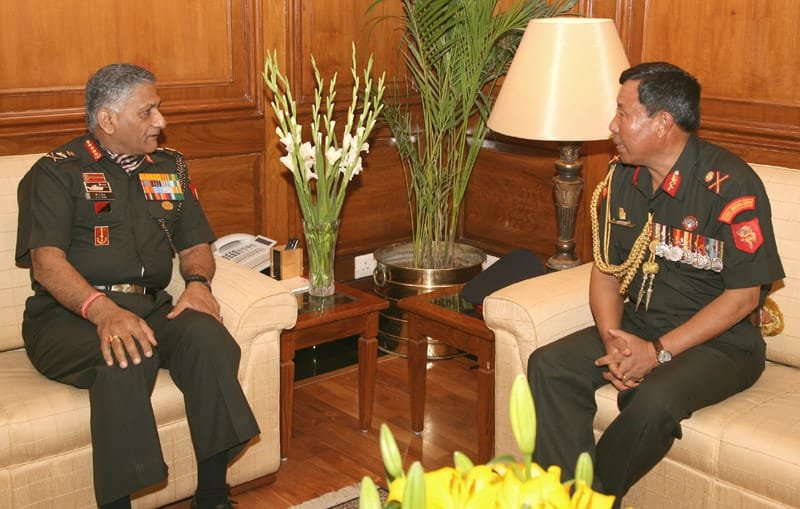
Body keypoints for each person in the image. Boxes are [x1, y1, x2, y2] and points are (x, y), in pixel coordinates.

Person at [527, 62, 784, 506]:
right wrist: (614, 340)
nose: (613, 125)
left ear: (663, 122)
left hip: (722, 345)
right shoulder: (619, 180)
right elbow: (606, 271)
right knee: (549, 366)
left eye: (624, 113)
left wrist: (657, 352)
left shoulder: (730, 186)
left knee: (653, 401)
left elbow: (743, 298)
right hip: (640, 326)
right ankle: (563, 497)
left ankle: (592, 500)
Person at [15, 63, 260, 509]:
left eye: (158, 110)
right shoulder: (56, 172)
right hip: (68, 317)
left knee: (208, 337)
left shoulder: (168, 168)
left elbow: (195, 244)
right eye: (148, 112)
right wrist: (103, 311)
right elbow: (46, 264)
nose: (160, 122)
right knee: (127, 354)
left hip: (150, 307)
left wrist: (199, 283)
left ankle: (212, 497)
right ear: (108, 121)